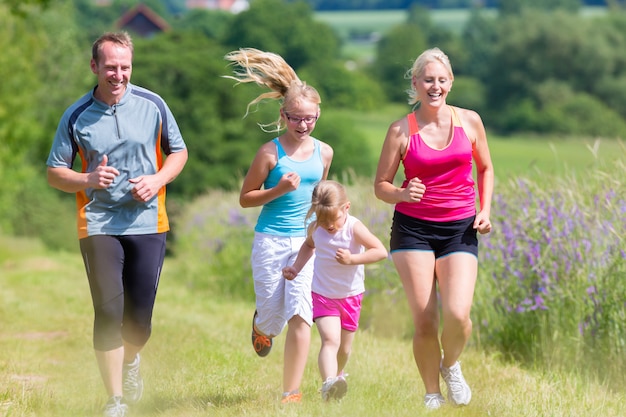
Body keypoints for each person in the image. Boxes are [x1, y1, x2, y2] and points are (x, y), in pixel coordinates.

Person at [46, 32, 188, 417]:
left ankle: (131, 361)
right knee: (109, 311)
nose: (118, 74)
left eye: (124, 67)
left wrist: (157, 180)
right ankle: (115, 401)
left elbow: (179, 152)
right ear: (95, 66)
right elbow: (55, 172)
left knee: (139, 321)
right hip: (98, 223)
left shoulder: (153, 105)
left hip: (147, 221)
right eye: (110, 67)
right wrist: (88, 180)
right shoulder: (76, 115)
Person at [374, 47, 494, 410]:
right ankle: (431, 394)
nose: (435, 86)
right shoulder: (400, 130)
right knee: (425, 319)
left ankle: (451, 365)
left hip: (459, 229)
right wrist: (402, 192)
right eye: (428, 80)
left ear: (451, 83)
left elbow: (486, 168)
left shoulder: (470, 122)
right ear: (415, 83)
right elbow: (380, 185)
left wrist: (485, 210)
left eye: (442, 80)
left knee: (459, 316)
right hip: (413, 231)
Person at [224, 48, 334, 403]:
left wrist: (326, 225)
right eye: (296, 119)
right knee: (274, 318)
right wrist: (278, 189)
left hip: (305, 243)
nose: (303, 126)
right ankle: (261, 325)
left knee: (302, 315)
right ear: (283, 116)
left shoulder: (324, 153)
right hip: (270, 241)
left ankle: (291, 392)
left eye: (310, 119)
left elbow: (319, 196)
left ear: (318, 115)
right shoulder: (269, 153)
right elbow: (246, 198)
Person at [282, 180, 388, 401]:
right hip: (323, 295)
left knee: (344, 350)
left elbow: (380, 251)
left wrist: (353, 259)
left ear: (346, 208)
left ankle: (337, 377)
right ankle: (329, 383)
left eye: (334, 219)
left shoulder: (353, 228)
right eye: (322, 220)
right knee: (330, 341)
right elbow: (308, 246)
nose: (329, 225)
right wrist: (296, 268)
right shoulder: (316, 229)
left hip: (351, 296)